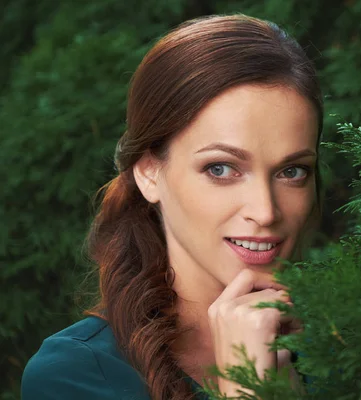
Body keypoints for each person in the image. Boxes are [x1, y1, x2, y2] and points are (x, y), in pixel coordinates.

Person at [21, 13, 323, 400]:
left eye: (292, 171)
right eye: (221, 168)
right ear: (149, 173)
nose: (265, 211)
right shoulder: (76, 377)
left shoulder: (357, 350)